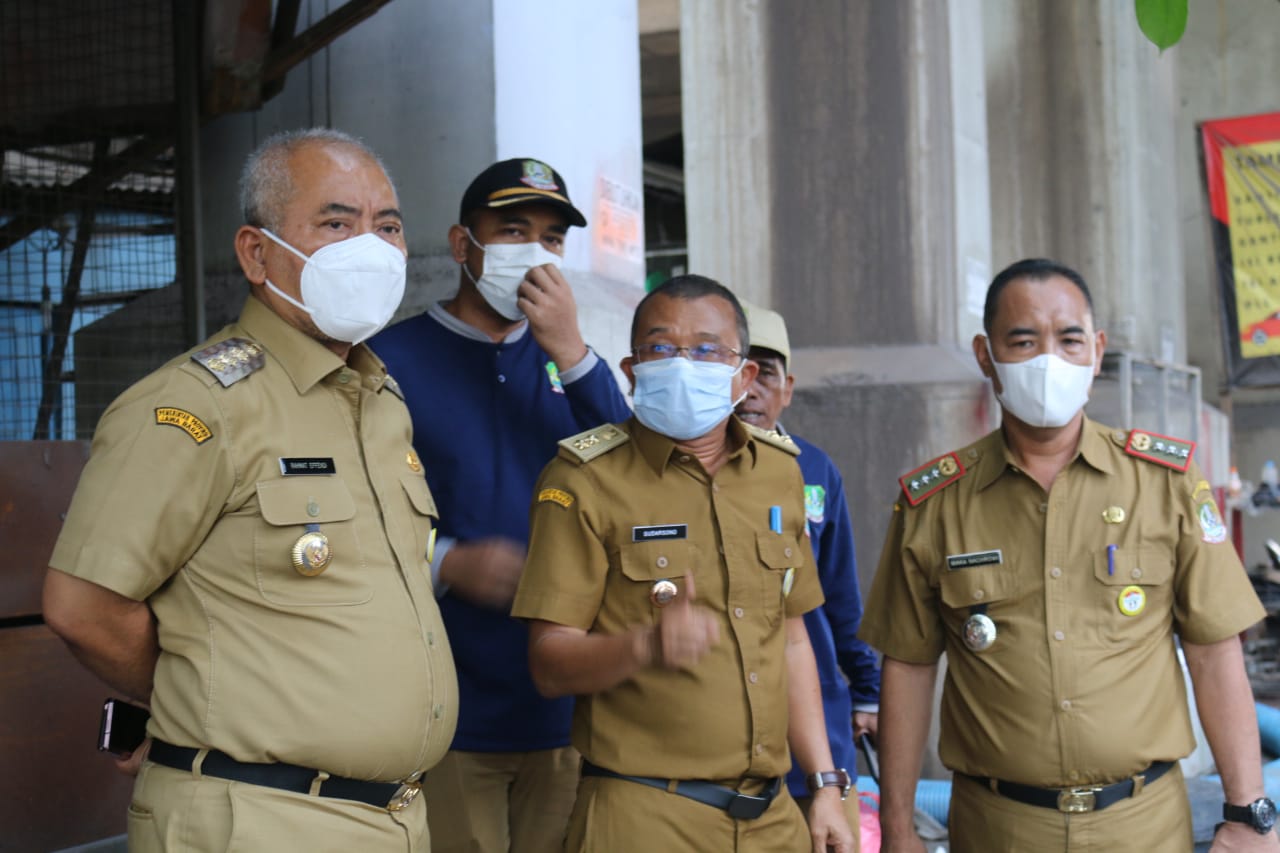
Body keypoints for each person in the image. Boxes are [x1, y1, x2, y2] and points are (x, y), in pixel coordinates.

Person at [41, 128, 457, 851]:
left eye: (387, 226)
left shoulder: (380, 400)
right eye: (337, 224)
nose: (371, 247)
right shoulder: (197, 406)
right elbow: (83, 605)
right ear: (256, 254)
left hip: (392, 818)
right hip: (259, 819)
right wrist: (183, 698)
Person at [860, 257, 1278, 852]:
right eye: (1023, 341)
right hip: (998, 829)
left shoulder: (1165, 484)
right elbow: (907, 667)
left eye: (1069, 339)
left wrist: (1248, 814)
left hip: (1144, 827)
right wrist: (898, 827)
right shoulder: (934, 504)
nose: (1048, 360)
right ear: (986, 355)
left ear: (1097, 351)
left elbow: (1214, 653)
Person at [511, 274, 856, 853]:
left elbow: (793, 639)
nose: (682, 364)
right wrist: (644, 646)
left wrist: (824, 785)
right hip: (646, 815)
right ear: (631, 369)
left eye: (705, 350)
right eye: (661, 348)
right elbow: (549, 664)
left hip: (773, 819)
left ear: (743, 375)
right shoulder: (583, 480)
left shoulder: (779, 473)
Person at [369, 157, 630, 853]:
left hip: (561, 707)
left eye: (551, 239)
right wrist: (448, 561)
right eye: (513, 231)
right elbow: (352, 515)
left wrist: (571, 352)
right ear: (463, 245)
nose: (535, 253)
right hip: (448, 708)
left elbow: (634, 481)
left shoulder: (572, 365)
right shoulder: (388, 361)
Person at [736, 301, 881, 839]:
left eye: (766, 374)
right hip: (726, 728)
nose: (752, 390)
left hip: (817, 725)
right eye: (741, 371)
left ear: (787, 389)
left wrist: (867, 691)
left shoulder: (815, 469)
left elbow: (841, 594)